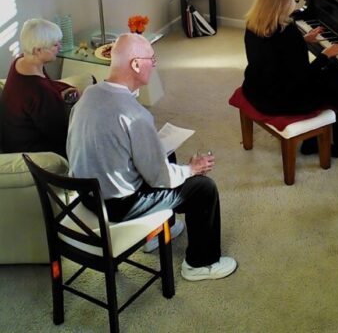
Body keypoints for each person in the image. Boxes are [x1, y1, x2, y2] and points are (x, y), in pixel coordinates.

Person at [67, 33, 237, 281]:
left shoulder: (88, 95)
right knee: (203, 189)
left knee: (166, 150)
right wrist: (191, 169)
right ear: (135, 65)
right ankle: (200, 264)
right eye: (152, 59)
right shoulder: (136, 115)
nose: (155, 64)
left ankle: (159, 232)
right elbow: (161, 178)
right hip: (118, 204)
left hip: (88, 193)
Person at [242, 0, 338, 157]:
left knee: (332, 76)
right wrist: (325, 55)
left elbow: (275, 54)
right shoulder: (288, 34)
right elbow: (302, 77)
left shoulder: (254, 24)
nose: (296, 3)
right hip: (283, 101)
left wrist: (303, 39)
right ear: (282, 2)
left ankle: (312, 142)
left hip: (257, 90)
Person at [1, 18, 82, 157]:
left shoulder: (21, 61)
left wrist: (62, 89)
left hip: (13, 139)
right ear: (38, 50)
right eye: (55, 45)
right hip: (34, 152)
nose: (60, 47)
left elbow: (47, 84)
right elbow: (61, 134)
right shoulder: (39, 92)